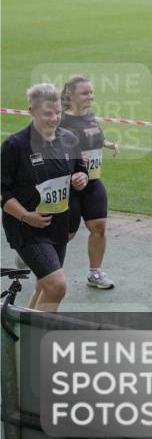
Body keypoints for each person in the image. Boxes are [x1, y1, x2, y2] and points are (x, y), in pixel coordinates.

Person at [1, 83, 88, 312]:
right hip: (26, 227)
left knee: (43, 285)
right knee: (56, 286)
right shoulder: (15, 145)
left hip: (58, 225)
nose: (55, 118)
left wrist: (81, 177)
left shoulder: (69, 139)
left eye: (58, 112)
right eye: (48, 114)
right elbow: (3, 192)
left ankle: (25, 328)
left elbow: (81, 170)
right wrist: (26, 216)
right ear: (31, 111)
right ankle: (40, 334)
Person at [60, 76, 120, 290]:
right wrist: (73, 161)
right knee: (67, 234)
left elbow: (95, 138)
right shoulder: (60, 121)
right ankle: (34, 254)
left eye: (91, 92)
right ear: (70, 95)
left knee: (99, 227)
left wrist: (108, 144)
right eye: (85, 93)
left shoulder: (89, 115)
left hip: (93, 182)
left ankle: (95, 274)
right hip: (69, 187)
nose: (91, 96)